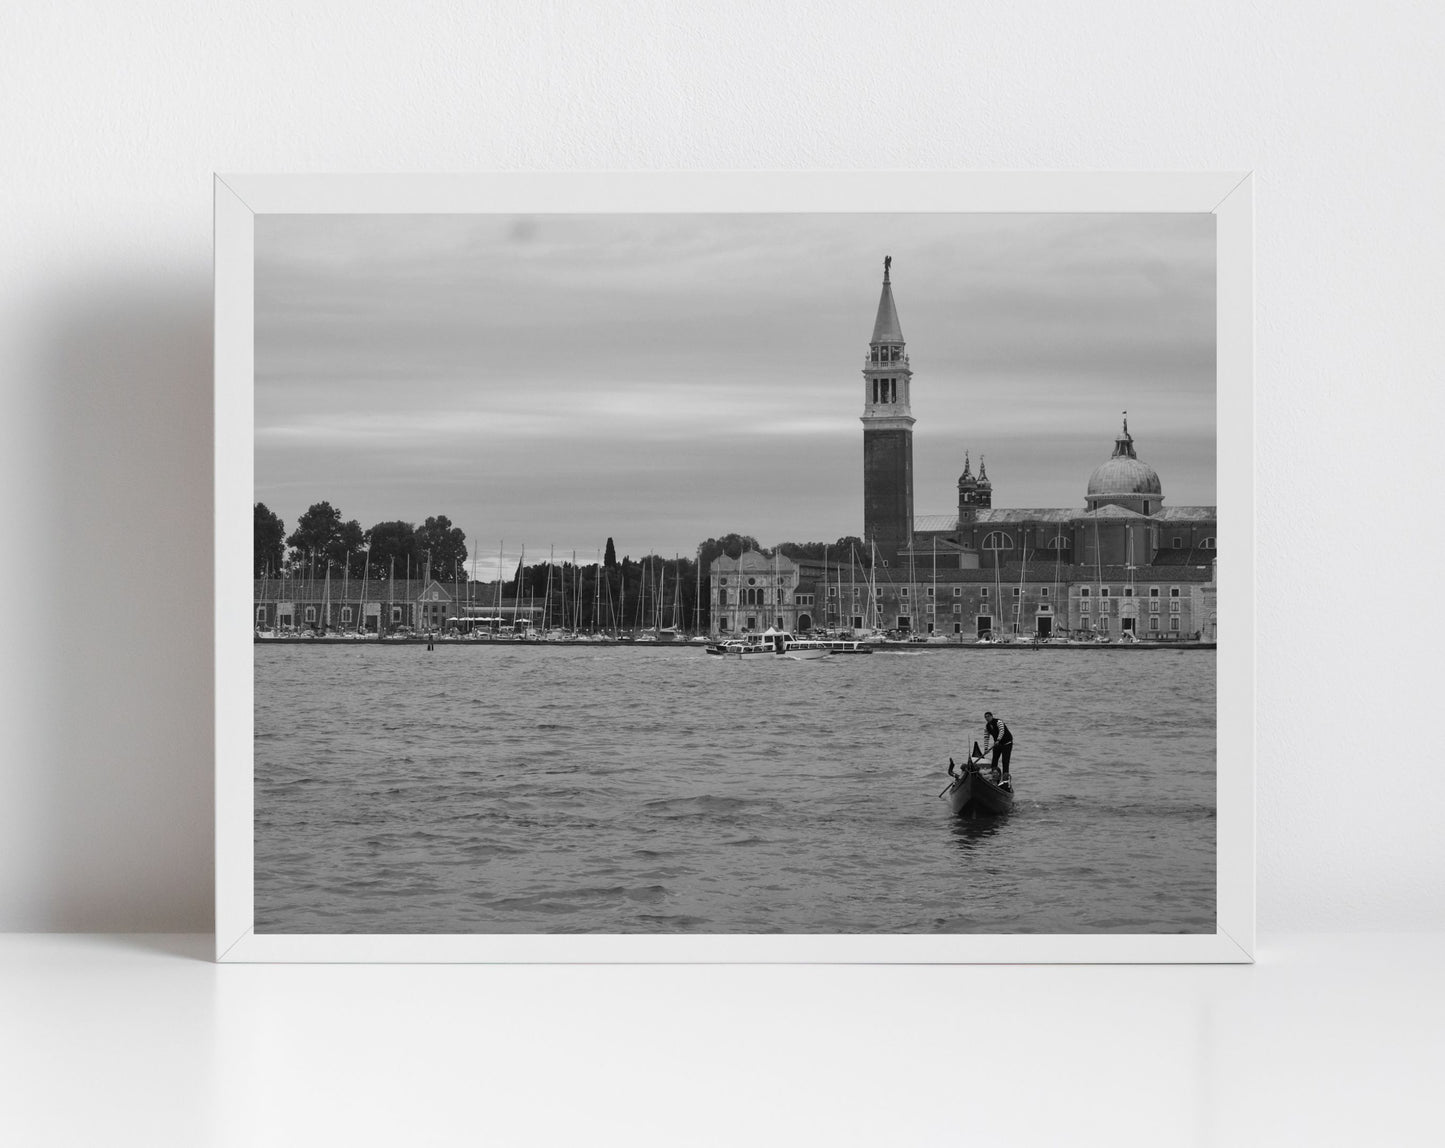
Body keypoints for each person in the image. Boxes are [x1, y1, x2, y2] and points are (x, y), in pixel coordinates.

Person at [983, 711, 1013, 785]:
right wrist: (986, 749)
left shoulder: (998, 722)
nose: (987, 718)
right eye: (985, 717)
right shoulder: (987, 727)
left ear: (991, 716)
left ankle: (1005, 779)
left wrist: (998, 740)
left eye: (988, 716)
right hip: (997, 744)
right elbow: (986, 737)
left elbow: (1002, 731)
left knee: (1005, 761)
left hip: (1007, 743)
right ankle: (994, 777)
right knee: (994, 761)